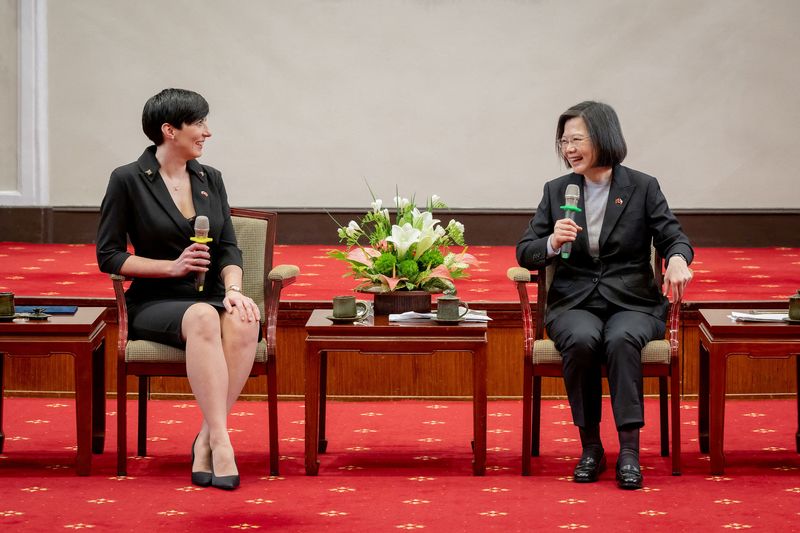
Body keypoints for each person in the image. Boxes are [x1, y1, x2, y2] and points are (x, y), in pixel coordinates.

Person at [516, 101, 693, 489]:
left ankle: (629, 452)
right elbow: (525, 250)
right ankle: (591, 447)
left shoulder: (642, 186)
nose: (568, 149)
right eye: (564, 142)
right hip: (574, 301)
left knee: (621, 338)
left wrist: (677, 259)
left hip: (633, 301)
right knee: (580, 339)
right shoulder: (557, 190)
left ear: (603, 138)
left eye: (577, 139)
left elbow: (673, 237)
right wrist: (549, 242)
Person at [96, 88, 261, 490]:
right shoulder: (128, 180)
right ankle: (222, 442)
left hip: (209, 295)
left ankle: (206, 436)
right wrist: (172, 267)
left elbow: (227, 247)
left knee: (240, 318)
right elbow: (110, 255)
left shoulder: (210, 178)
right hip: (155, 300)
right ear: (169, 130)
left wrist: (235, 289)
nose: (208, 132)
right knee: (203, 315)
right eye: (199, 123)